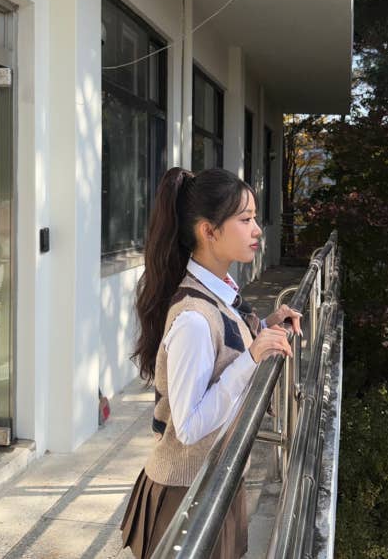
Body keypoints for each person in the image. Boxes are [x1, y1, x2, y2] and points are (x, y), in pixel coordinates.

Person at [120, 167, 301, 559]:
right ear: (209, 231)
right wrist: (252, 358)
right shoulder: (193, 319)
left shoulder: (219, 294)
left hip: (213, 481)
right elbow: (189, 427)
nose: (257, 230)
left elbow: (226, 344)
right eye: (245, 219)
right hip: (186, 496)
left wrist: (267, 325)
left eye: (255, 218)